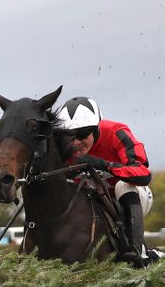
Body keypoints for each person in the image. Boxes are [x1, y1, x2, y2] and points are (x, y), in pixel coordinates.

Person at [56, 96, 153, 266]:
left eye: (82, 134)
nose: (76, 143)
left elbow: (143, 174)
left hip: (131, 195)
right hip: (92, 201)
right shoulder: (63, 146)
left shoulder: (116, 131)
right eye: (70, 136)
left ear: (96, 128)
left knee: (123, 186)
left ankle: (136, 252)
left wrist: (105, 165)